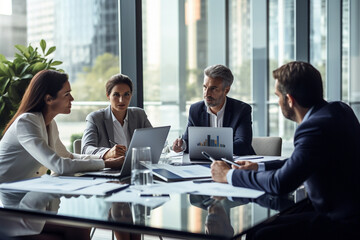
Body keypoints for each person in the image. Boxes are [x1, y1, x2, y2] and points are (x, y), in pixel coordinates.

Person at [211, 61, 360, 239]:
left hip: (342, 221)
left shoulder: (313, 128)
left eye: (277, 96)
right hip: (346, 209)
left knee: (261, 234)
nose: (278, 101)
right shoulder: (339, 110)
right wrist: (259, 167)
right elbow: (300, 161)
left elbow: (280, 183)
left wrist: (228, 175)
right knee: (260, 228)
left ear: (289, 100)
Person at [0, 70, 123, 184]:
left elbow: (68, 156)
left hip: (29, 190)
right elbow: (59, 165)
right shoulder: (26, 122)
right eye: (67, 94)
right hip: (7, 194)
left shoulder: (50, 123)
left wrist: (105, 156)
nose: (72, 99)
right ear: (49, 99)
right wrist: (106, 164)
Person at [172, 64, 255, 156]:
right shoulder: (195, 110)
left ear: (226, 90)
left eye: (213, 89)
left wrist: (205, 147)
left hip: (238, 165)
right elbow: (188, 142)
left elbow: (243, 145)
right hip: (204, 164)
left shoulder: (241, 110)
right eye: (205, 87)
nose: (207, 93)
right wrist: (182, 145)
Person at [81, 74, 152, 159]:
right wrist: (108, 153)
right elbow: (86, 149)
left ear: (131, 95)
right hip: (108, 170)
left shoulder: (139, 115)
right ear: (108, 96)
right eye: (116, 95)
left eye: (126, 94)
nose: (121, 100)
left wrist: (170, 148)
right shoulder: (95, 118)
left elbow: (154, 142)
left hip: (135, 167)